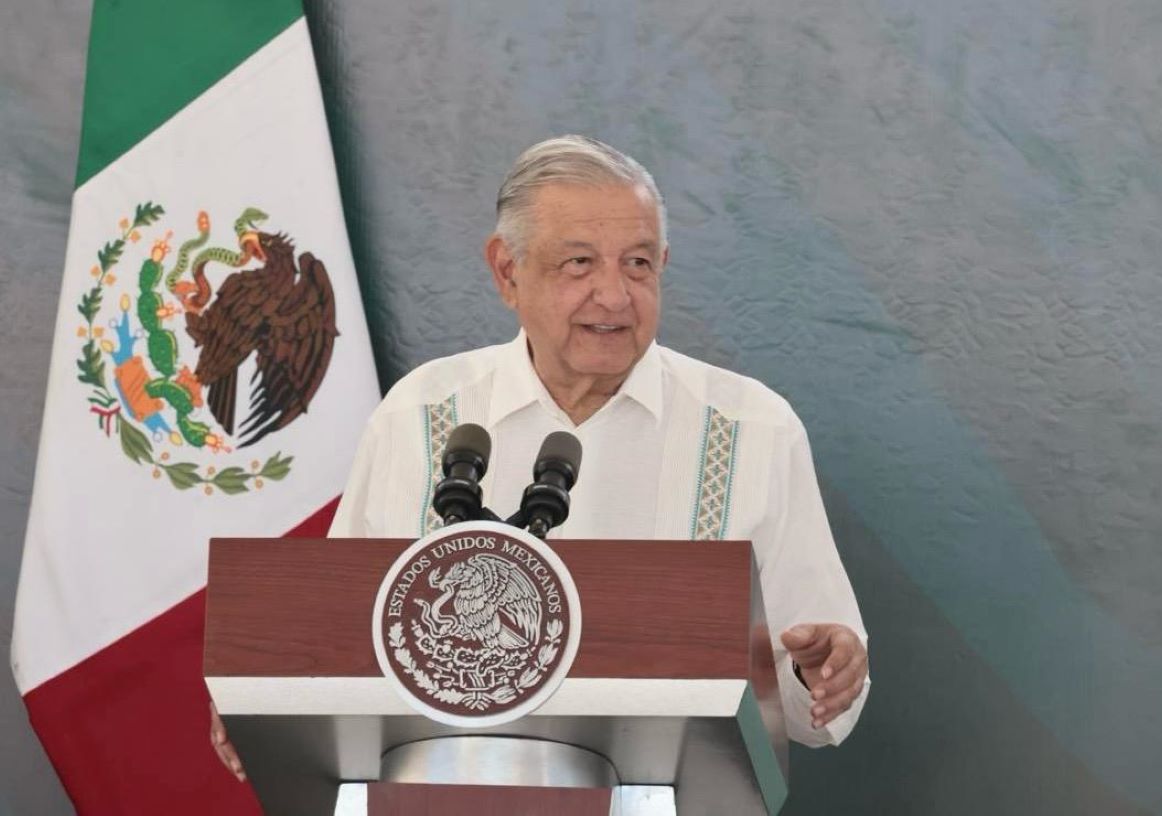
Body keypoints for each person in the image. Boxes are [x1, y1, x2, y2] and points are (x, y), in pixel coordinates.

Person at [212, 135, 869, 780]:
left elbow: (816, 699)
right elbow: (335, 645)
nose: (614, 296)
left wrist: (827, 673)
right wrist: (267, 698)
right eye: (579, 264)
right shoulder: (419, 416)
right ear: (507, 271)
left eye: (638, 263)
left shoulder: (753, 428)